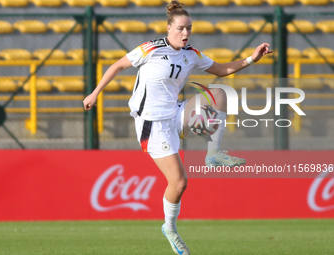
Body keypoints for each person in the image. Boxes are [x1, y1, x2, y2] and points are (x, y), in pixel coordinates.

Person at [83, 1, 272, 254]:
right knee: (179, 182)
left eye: (189, 29)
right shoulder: (150, 48)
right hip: (152, 122)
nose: (186, 33)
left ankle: (213, 152)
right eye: (181, 28)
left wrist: (252, 58)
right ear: (169, 28)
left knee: (220, 94)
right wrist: (95, 93)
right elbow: (117, 65)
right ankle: (169, 229)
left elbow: (222, 70)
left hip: (175, 113)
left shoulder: (191, 54)